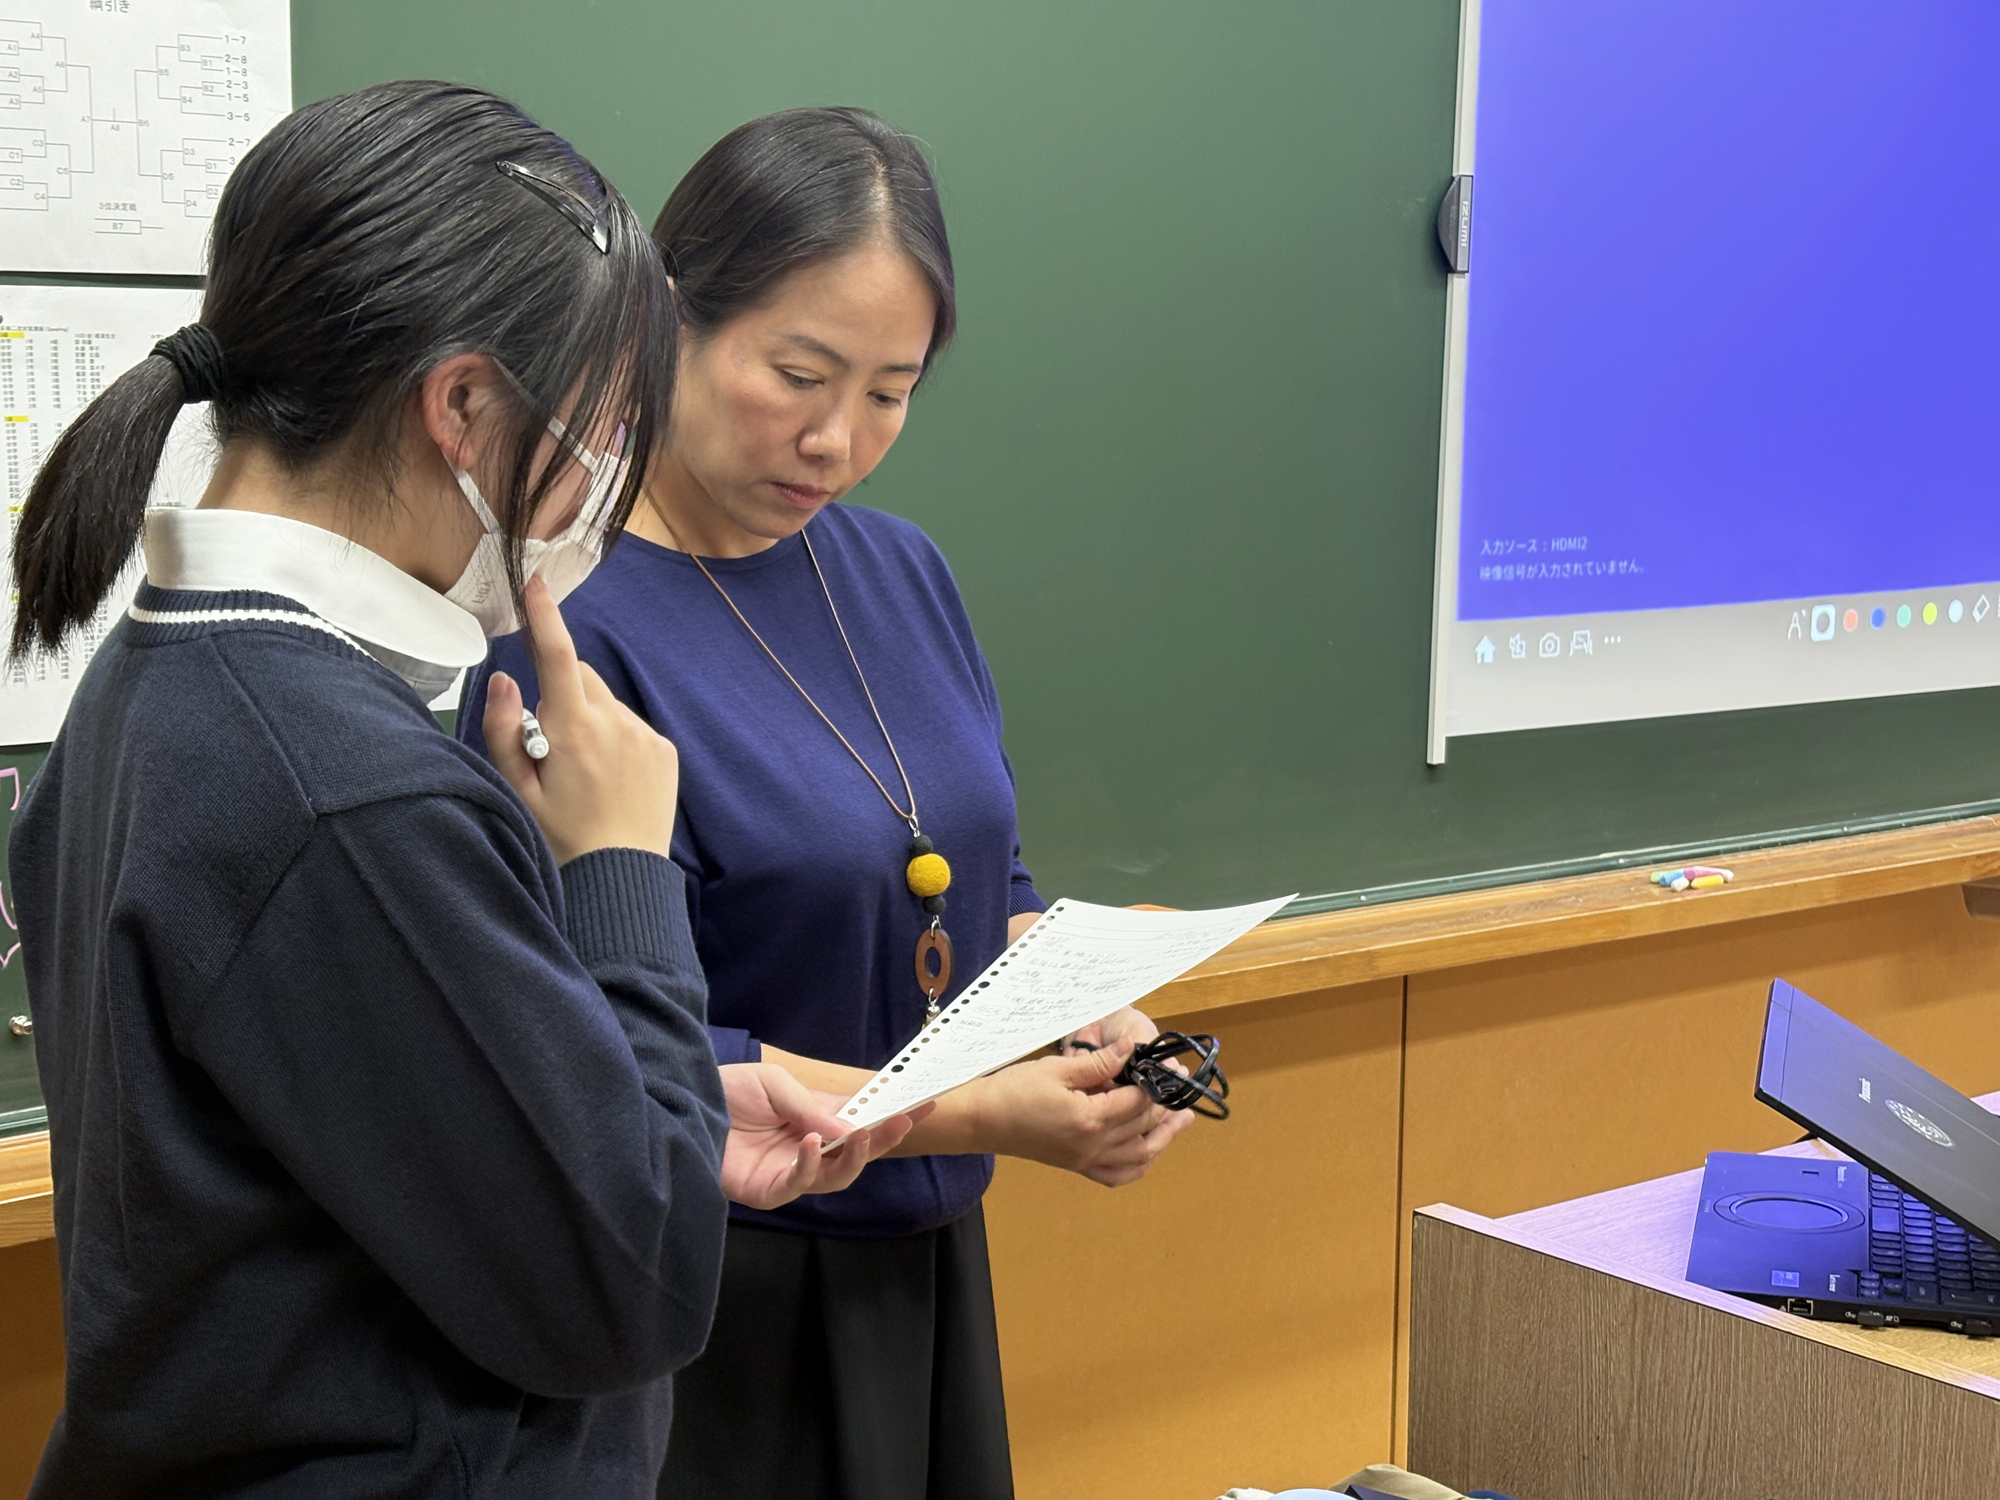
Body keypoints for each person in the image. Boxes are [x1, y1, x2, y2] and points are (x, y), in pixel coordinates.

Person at [5, 81, 912, 1500]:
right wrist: (623, 869)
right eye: (600, 429)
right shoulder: (347, 791)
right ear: (468, 405)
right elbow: (631, 1286)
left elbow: (387, 1120)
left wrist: (646, 1099)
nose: (600, 487)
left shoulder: (165, 678)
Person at [459, 106, 1193, 1499]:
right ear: (664, 318)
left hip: (926, 1267)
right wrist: (995, 1112)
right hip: (709, 1302)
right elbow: (617, 1046)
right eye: (797, 374)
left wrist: (1087, 1011)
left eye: (890, 392)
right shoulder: (558, 627)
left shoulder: (900, 573)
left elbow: (984, 884)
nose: (834, 440)